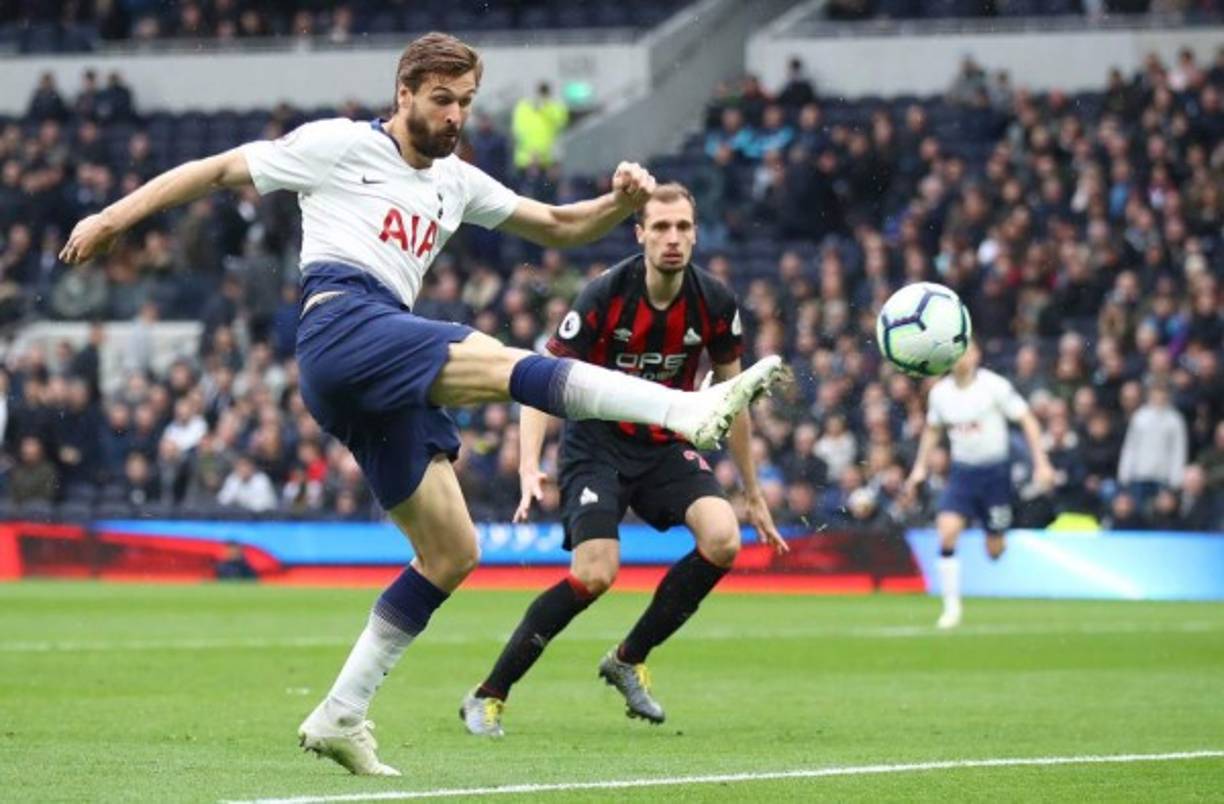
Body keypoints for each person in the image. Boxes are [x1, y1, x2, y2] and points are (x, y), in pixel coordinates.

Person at [58, 32, 785, 777]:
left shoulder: (456, 181)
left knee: (452, 552)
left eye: (465, 102)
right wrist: (114, 219)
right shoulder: (339, 145)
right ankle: (682, 411)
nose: (455, 116)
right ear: (403, 94)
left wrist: (620, 202)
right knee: (503, 359)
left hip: (376, 364)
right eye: (441, 100)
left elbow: (561, 226)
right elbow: (217, 170)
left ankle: (340, 713)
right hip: (343, 322)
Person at [459, 183, 788, 737]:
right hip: (597, 446)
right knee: (595, 574)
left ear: (695, 234)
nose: (672, 238)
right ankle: (488, 694)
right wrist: (528, 465)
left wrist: (752, 492)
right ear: (640, 235)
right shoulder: (604, 295)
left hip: (665, 444)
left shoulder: (714, 302)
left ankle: (627, 659)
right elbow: (539, 379)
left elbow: (733, 401)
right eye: (660, 227)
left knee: (723, 539)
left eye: (682, 227)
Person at [906, 342, 1054, 629]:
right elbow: (932, 430)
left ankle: (997, 537)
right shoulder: (940, 393)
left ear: (977, 355)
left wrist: (1042, 462)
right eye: (956, 353)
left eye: (966, 351)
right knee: (947, 533)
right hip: (962, 473)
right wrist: (920, 468)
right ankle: (951, 609)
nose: (961, 358)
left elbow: (1027, 419)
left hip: (995, 475)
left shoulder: (994, 386)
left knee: (994, 550)